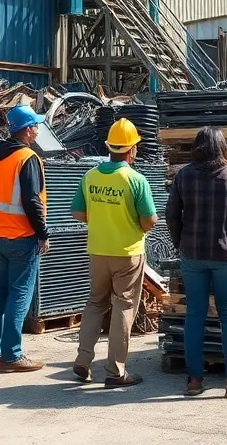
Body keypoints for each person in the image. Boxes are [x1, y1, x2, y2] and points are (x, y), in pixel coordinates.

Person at [165, 126, 227, 400]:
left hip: (192, 254)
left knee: (195, 314)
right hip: (226, 255)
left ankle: (194, 380)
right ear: (221, 147)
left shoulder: (184, 175)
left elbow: (172, 215)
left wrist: (180, 242)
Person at [71, 118, 158, 388]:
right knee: (123, 306)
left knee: (95, 303)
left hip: (97, 251)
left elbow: (77, 212)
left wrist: (100, 223)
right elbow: (150, 220)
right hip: (127, 253)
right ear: (132, 150)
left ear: (109, 147)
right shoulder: (135, 179)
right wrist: (132, 226)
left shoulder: (90, 176)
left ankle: (83, 361)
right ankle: (115, 371)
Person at [0, 104, 51, 372]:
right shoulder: (27, 158)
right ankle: (12, 356)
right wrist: (43, 233)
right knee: (19, 295)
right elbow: (31, 200)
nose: (38, 129)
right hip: (21, 236)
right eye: (36, 125)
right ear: (27, 130)